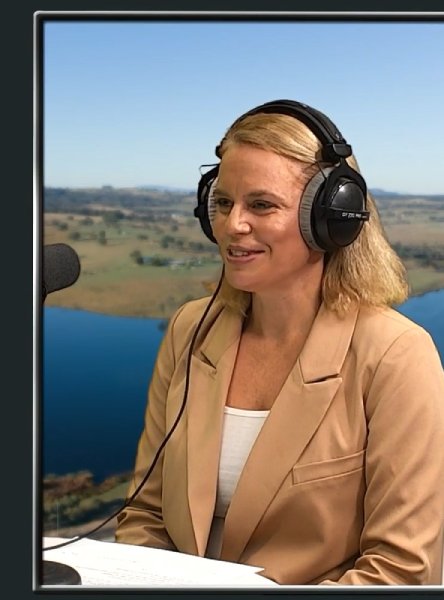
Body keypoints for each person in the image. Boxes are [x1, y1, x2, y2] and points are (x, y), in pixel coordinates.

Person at [114, 99, 444, 585]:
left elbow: (400, 571)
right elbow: (145, 512)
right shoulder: (191, 328)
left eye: (262, 205)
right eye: (223, 203)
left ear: (334, 218)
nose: (233, 225)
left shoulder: (396, 355)